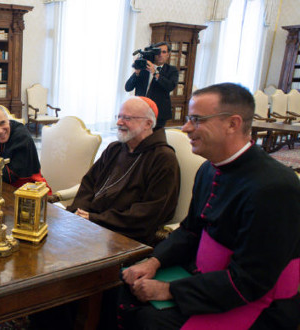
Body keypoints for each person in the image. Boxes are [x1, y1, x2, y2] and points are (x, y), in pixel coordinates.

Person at [121, 83, 300, 329]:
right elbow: (190, 230)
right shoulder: (208, 168)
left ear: (232, 124)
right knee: (118, 289)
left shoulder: (276, 187)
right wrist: (155, 261)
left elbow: (250, 281)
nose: (185, 128)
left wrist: (170, 290)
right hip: (207, 280)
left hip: (257, 304)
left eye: (196, 119)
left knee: (149, 321)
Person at [68, 96, 179, 246]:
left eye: (127, 118)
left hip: (126, 236)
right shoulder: (115, 148)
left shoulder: (163, 158)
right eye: (119, 116)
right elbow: (89, 183)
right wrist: (78, 213)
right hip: (90, 225)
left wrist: (94, 219)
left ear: (148, 123)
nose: (119, 122)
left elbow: (150, 212)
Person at [124, 42, 178, 129]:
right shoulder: (143, 68)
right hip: (139, 110)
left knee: (155, 138)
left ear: (168, 54)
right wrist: (137, 72)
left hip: (159, 112)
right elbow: (128, 87)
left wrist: (155, 73)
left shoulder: (172, 70)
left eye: (164, 52)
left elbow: (170, 86)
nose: (160, 55)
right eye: (158, 52)